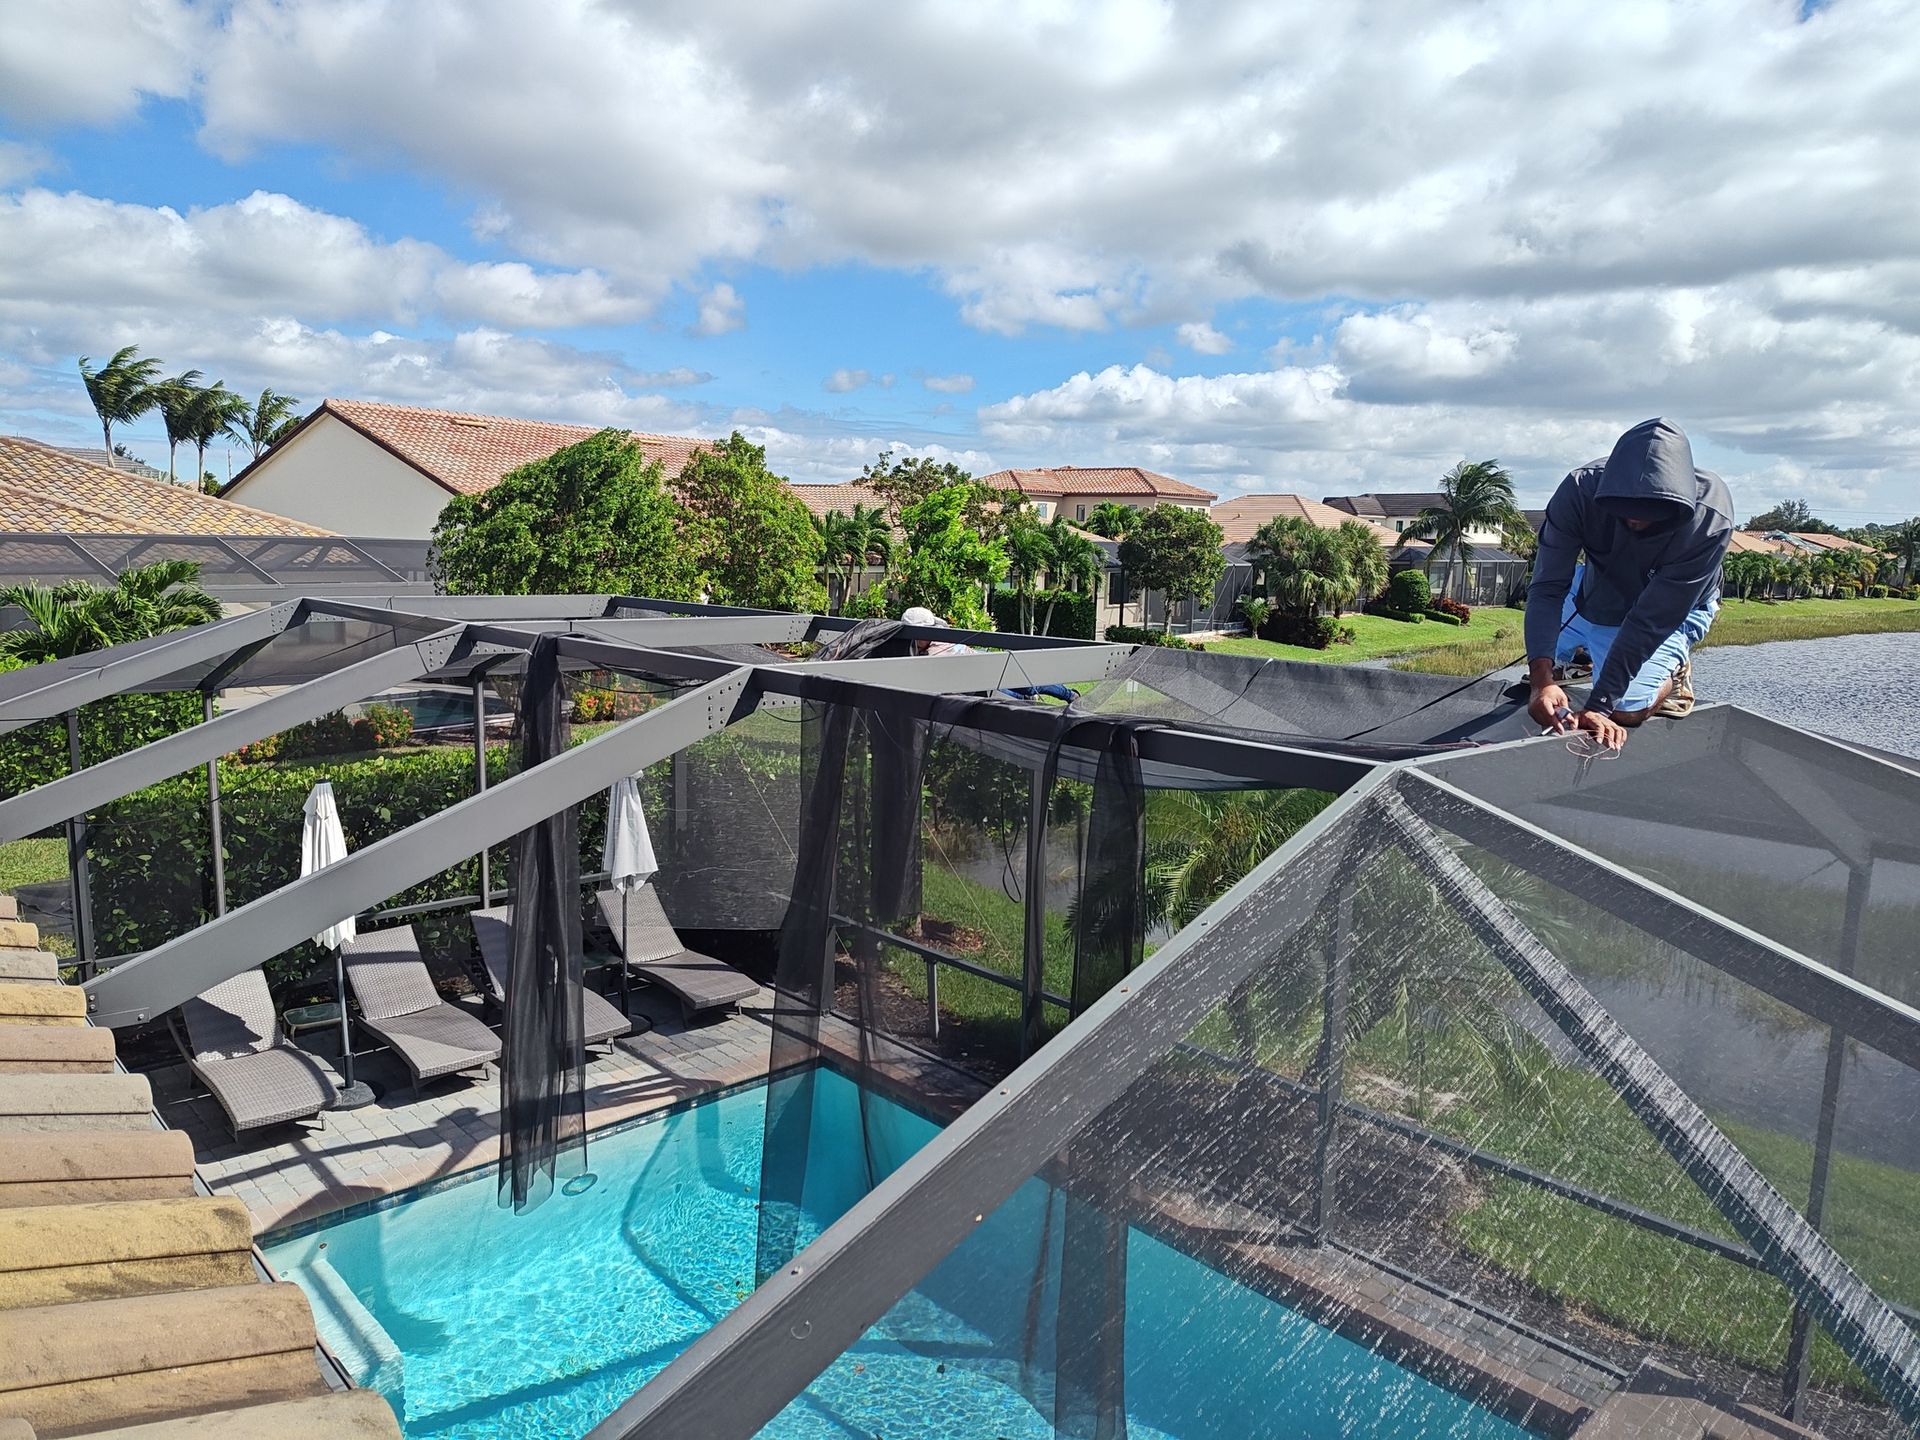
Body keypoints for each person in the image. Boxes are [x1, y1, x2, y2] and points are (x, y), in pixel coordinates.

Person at [1524, 418, 1732, 749]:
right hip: (1591, 593)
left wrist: (1598, 706)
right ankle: (1582, 659)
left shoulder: (1709, 518)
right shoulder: (1579, 489)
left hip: (1672, 609)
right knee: (1540, 659)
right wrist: (1541, 681)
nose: (1636, 519)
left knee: (1626, 709)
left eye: (1651, 513)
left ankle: (1672, 678)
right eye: (1624, 510)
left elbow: (1650, 620)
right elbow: (1548, 588)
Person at [899, 605, 1074, 703]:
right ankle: (1029, 701)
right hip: (975, 681)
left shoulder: (939, 642)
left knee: (1028, 683)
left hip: (983, 661)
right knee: (1005, 696)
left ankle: (1069, 695)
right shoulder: (917, 651)